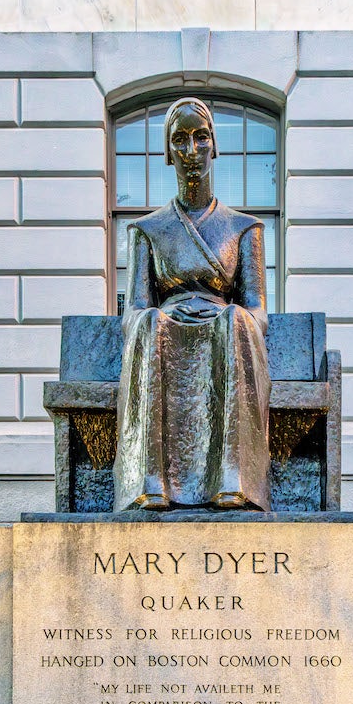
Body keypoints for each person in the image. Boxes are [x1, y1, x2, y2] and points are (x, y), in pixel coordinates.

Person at [113, 97, 271, 511]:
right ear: (168, 152)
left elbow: (257, 312)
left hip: (225, 337)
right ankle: (151, 481)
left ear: (214, 145)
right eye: (180, 140)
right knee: (150, 324)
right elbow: (134, 312)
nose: (191, 151)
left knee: (236, 320)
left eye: (201, 138)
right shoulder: (147, 229)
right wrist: (163, 315)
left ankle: (233, 478)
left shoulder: (244, 228)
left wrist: (225, 315)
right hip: (166, 336)